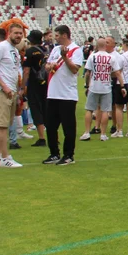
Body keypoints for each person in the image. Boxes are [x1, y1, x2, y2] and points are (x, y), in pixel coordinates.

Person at [42, 25, 83, 166]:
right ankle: (54, 153)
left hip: (67, 95)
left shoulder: (76, 50)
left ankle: (68, 155)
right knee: (51, 126)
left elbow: (74, 70)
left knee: (68, 127)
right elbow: (47, 65)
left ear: (65, 35)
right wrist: (48, 67)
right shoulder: (55, 49)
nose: (55, 37)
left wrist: (65, 57)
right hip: (53, 92)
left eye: (58, 35)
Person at [0, 23, 24, 169]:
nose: (19, 36)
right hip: (3, 90)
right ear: (9, 33)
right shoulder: (1, 47)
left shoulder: (13, 49)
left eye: (20, 33)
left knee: (6, 124)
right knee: (2, 125)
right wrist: (4, 86)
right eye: (16, 33)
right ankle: (5, 157)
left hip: (11, 90)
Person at [82, 38, 118, 142]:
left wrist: (87, 85)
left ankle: (87, 132)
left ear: (96, 46)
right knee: (105, 111)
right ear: (105, 46)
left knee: (89, 109)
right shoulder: (110, 57)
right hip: (106, 86)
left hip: (94, 86)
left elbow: (88, 72)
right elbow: (116, 72)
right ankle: (103, 134)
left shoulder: (92, 56)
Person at [22, 30, 48, 148]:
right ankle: (53, 135)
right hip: (45, 82)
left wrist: (23, 86)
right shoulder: (45, 50)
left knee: (36, 109)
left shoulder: (30, 51)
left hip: (34, 82)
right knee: (46, 108)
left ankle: (41, 137)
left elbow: (26, 70)